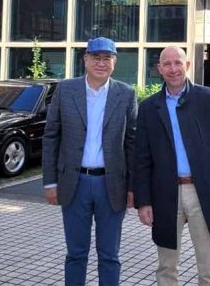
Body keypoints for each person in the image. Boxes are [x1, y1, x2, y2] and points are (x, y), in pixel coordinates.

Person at [133, 46, 210, 286]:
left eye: (178, 62)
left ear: (188, 65)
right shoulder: (148, 108)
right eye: (167, 64)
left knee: (208, 265)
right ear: (159, 69)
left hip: (202, 192)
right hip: (165, 194)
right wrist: (143, 201)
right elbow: (141, 158)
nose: (173, 69)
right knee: (166, 266)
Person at [42, 37, 137, 286]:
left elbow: (132, 144)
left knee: (110, 255)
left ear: (114, 63)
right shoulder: (65, 89)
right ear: (85, 60)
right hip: (74, 183)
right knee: (76, 253)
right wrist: (50, 182)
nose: (101, 63)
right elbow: (51, 136)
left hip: (112, 185)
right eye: (96, 57)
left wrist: (132, 187)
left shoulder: (125, 94)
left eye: (107, 58)